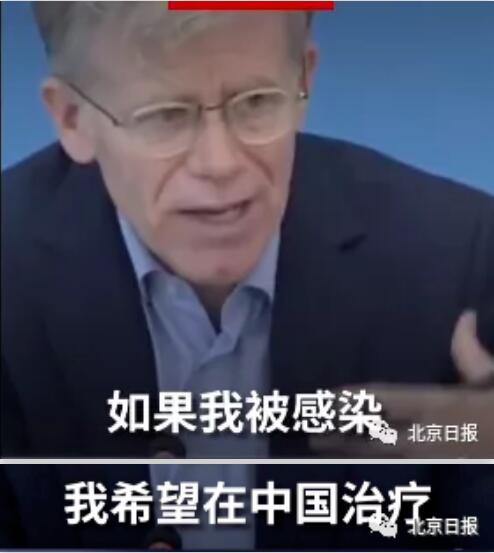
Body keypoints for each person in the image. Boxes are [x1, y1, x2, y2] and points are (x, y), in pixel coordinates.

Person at [1, 4, 493, 550]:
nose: (220, 163)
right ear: (72, 118)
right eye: (165, 116)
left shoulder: (461, 258)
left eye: (256, 102)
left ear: (304, 80)